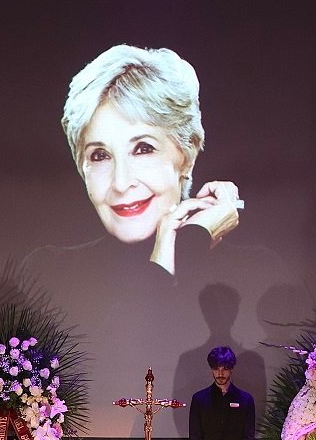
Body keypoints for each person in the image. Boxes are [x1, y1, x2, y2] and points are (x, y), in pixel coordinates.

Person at [60, 44, 242, 277]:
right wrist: (180, 249)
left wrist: (187, 243)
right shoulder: (47, 272)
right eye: (100, 155)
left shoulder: (256, 269)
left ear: (187, 156)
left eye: (143, 149)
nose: (121, 184)